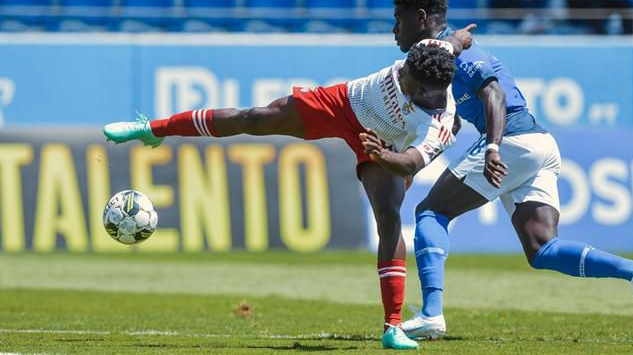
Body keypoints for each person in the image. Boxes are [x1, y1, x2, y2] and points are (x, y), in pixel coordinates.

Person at [103, 36, 472, 350]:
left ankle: (393, 327)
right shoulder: (429, 51)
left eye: (406, 77)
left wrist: (381, 154)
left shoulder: (438, 122)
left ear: (426, 90)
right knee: (256, 118)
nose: (400, 72)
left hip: (384, 147)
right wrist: (463, 38)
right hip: (345, 103)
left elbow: (408, 164)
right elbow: (455, 41)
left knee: (389, 218)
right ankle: (153, 128)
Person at [364, 0, 633, 339]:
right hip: (539, 145)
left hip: (515, 141)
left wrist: (492, 148)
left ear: (421, 18)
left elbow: (494, 94)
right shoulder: (441, 60)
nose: (394, 29)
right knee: (543, 249)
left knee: (431, 212)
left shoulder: (461, 52)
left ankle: (431, 314)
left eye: (399, 20)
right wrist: (417, 160)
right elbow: (453, 123)